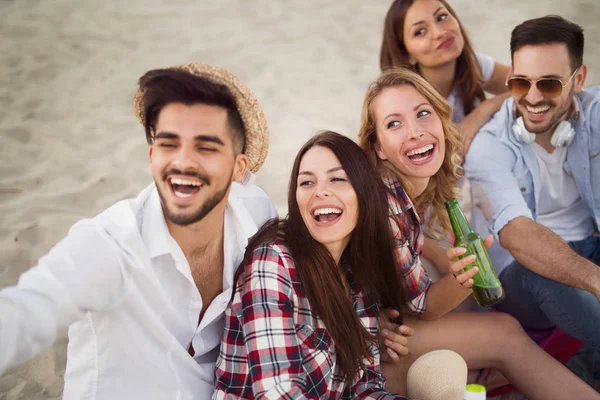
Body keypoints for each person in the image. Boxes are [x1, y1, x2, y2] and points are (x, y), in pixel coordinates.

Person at [0, 63, 277, 400]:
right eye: (168, 144)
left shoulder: (257, 216)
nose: (183, 162)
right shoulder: (111, 244)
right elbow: (27, 310)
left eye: (206, 147)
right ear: (151, 156)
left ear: (238, 168)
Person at [357, 66, 599, 399]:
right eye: (394, 123)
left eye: (423, 113)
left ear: (443, 121)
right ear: (379, 147)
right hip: (370, 337)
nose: (414, 131)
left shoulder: (414, 196)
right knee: (503, 333)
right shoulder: (384, 201)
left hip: (392, 325)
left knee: (502, 327)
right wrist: (462, 277)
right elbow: (421, 306)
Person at [213, 131, 415, 398]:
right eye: (306, 182)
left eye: (337, 179)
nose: (320, 191)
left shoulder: (358, 275)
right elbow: (278, 394)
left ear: (363, 192)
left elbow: (364, 387)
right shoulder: (273, 262)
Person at [464, 16, 600, 350]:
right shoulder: (489, 145)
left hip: (591, 247)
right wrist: (596, 280)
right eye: (521, 83)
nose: (533, 98)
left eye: (550, 84)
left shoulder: (594, 113)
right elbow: (517, 234)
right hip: (522, 279)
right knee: (537, 270)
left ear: (579, 78)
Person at [380, 0, 510, 153]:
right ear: (406, 53)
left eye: (441, 17)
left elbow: (536, 83)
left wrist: (485, 109)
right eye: (420, 31)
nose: (439, 33)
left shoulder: (472, 65)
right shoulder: (402, 103)